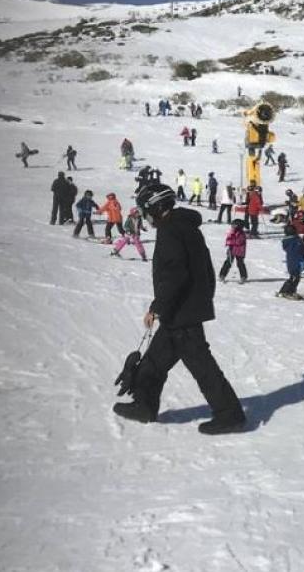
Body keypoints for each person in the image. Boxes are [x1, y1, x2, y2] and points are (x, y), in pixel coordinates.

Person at [112, 182, 246, 434]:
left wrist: (157, 307)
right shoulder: (184, 227)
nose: (146, 216)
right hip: (182, 310)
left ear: (156, 207)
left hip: (182, 312)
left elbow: (175, 273)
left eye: (145, 210)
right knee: (153, 362)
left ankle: (230, 415)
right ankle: (144, 405)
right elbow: (205, 269)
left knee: (202, 367)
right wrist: (200, 300)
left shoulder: (170, 230)